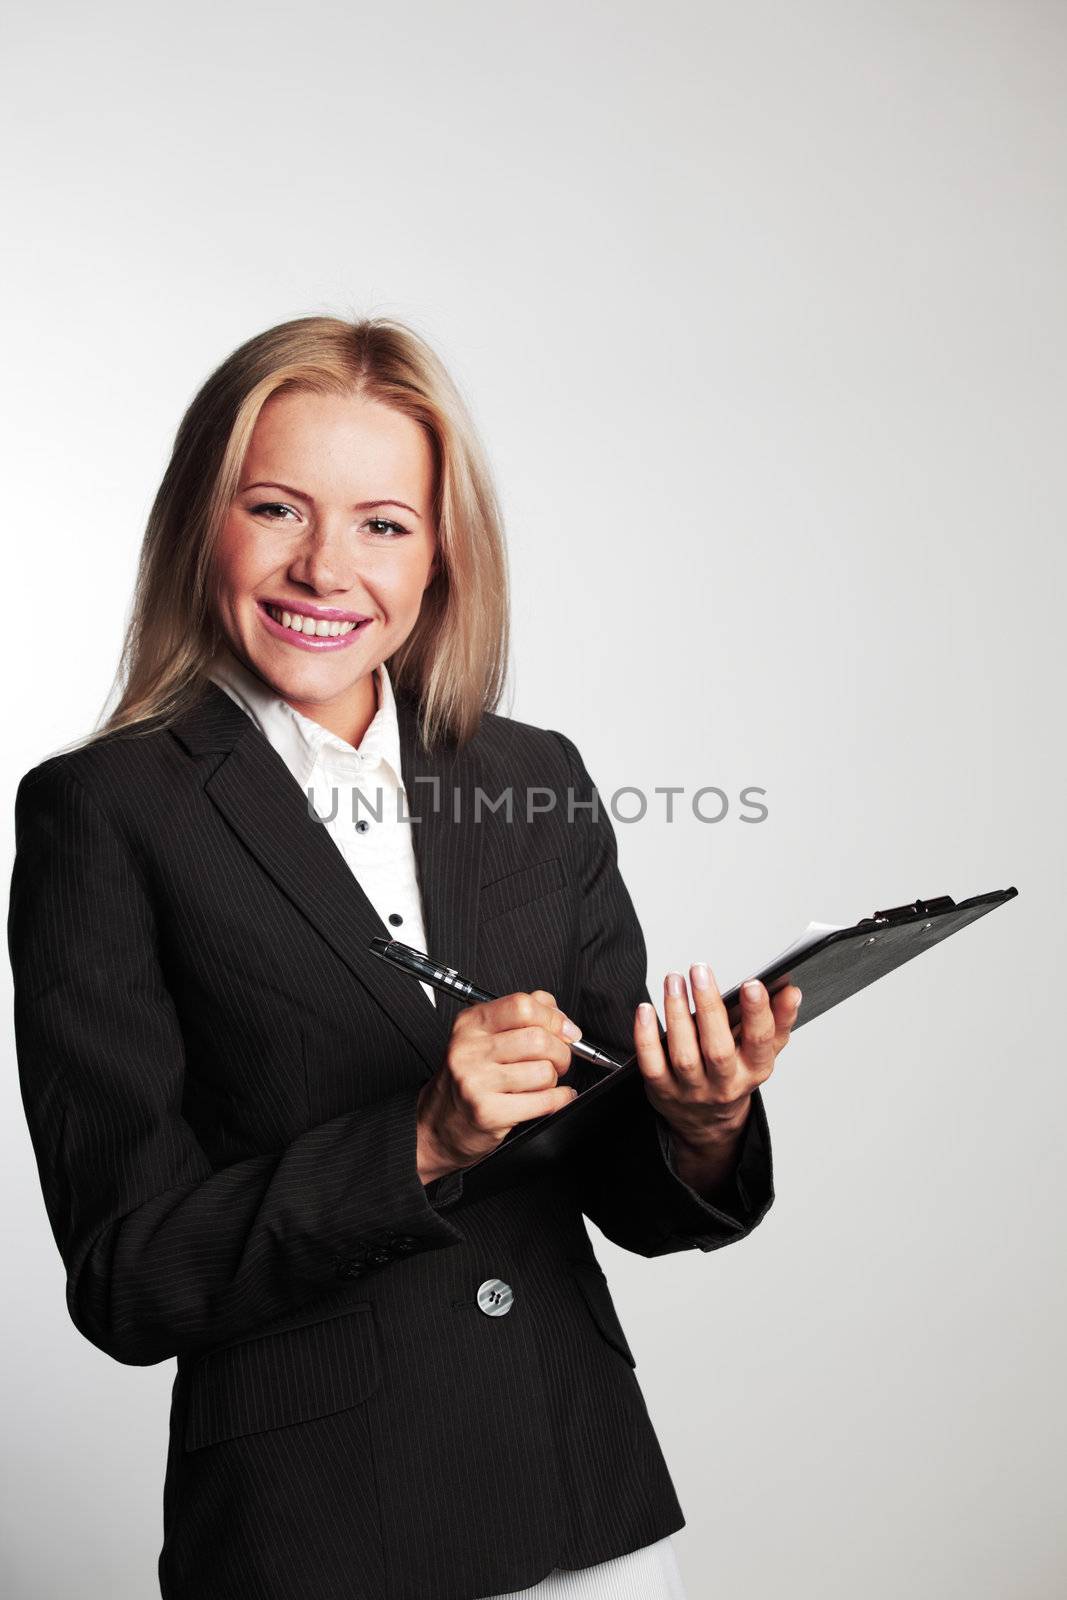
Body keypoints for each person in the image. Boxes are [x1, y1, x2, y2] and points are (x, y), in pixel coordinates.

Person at [7, 315, 800, 1600]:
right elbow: (126, 1277)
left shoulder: (533, 778)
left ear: (439, 554)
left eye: (383, 522)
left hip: (580, 1498)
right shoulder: (102, 812)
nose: (327, 568)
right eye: (276, 507)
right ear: (198, 522)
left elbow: (630, 1194)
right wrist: (421, 1141)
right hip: (317, 1533)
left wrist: (701, 1120)